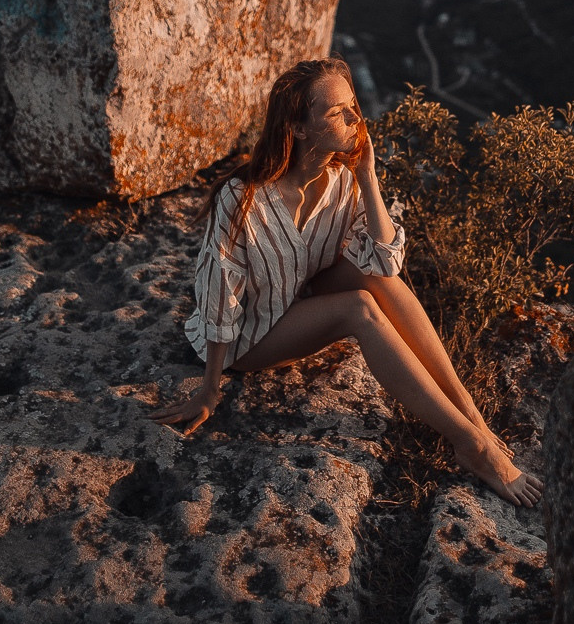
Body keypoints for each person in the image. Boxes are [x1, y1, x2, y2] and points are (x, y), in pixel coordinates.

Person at [153, 57, 543, 508]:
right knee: (358, 306)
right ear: (299, 129)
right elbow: (220, 295)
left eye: (353, 104)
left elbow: (386, 261)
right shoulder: (244, 200)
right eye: (339, 111)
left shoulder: (342, 180)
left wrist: (367, 175)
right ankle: (472, 447)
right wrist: (210, 389)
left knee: (376, 280)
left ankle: (474, 420)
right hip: (249, 336)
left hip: (299, 299)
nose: (357, 118)